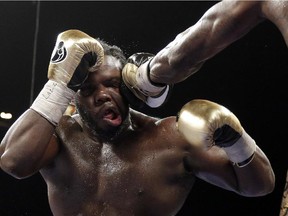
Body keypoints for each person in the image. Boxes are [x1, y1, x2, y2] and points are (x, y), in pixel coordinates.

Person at [0, 28, 275, 216]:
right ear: (74, 97)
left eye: (112, 84)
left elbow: (258, 186)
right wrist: (58, 85)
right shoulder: (60, 135)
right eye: (87, 89)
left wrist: (235, 139)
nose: (102, 96)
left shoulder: (170, 138)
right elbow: (13, 162)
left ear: (130, 89)